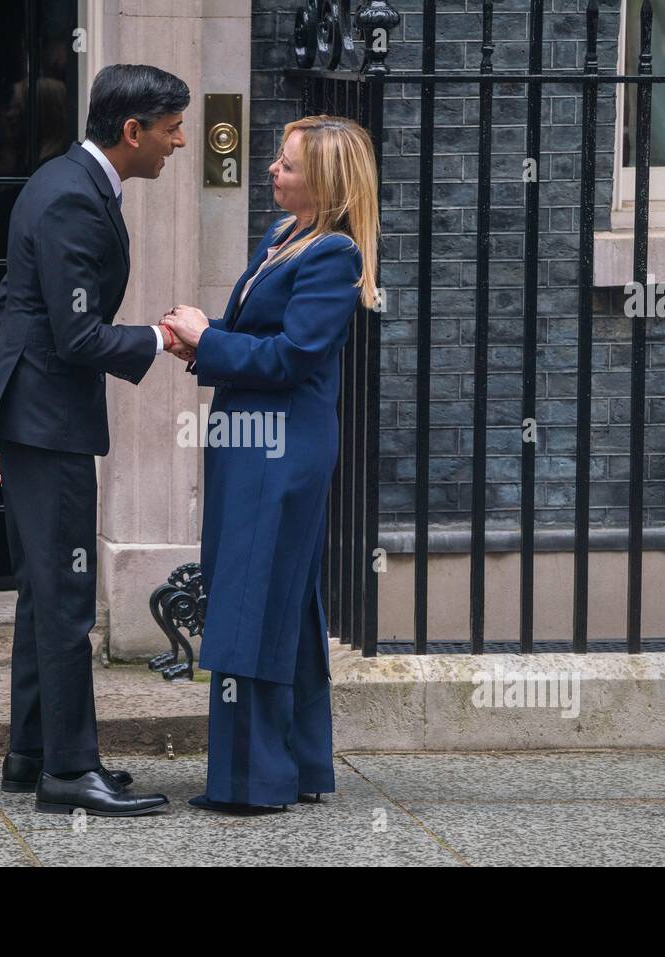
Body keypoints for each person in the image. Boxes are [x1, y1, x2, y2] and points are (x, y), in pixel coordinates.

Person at [0, 64, 192, 817]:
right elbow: (75, 334)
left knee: (42, 593)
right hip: (49, 426)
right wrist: (162, 337)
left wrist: (12, 419)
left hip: (36, 422)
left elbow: (15, 305)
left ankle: (32, 756)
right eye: (169, 130)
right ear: (131, 131)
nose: (179, 142)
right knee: (64, 600)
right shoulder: (73, 196)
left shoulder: (59, 178)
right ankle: (69, 771)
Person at [161, 115, 380, 813]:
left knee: (253, 599)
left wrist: (208, 341)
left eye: (285, 166)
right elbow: (261, 339)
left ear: (323, 180)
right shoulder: (283, 238)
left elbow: (293, 358)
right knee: (279, 595)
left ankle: (252, 782)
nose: (272, 173)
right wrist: (203, 339)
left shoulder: (334, 256)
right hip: (252, 439)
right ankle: (303, 764)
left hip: (281, 450)